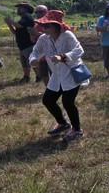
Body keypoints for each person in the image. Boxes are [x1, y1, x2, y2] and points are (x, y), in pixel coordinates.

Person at [29, 10, 86, 142]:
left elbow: (79, 50)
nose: (44, 29)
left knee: (68, 102)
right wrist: (33, 59)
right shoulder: (44, 38)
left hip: (71, 73)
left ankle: (77, 130)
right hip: (57, 75)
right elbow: (35, 51)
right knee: (48, 100)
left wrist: (63, 57)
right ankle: (63, 124)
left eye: (47, 26)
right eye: (43, 26)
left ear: (56, 26)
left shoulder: (67, 35)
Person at [4, 2, 36, 83]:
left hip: (28, 44)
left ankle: (39, 77)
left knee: (32, 61)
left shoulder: (27, 16)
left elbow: (19, 25)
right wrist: (9, 24)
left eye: (20, 7)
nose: (18, 9)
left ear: (26, 9)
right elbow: (15, 32)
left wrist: (10, 21)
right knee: (24, 62)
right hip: (22, 45)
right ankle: (26, 77)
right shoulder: (22, 19)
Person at [28, 5, 49, 84]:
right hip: (42, 56)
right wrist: (31, 34)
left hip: (52, 54)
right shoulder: (36, 26)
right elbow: (33, 41)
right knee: (44, 75)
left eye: (40, 12)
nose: (38, 14)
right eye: (36, 12)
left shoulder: (51, 24)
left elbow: (51, 37)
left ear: (46, 12)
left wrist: (37, 34)